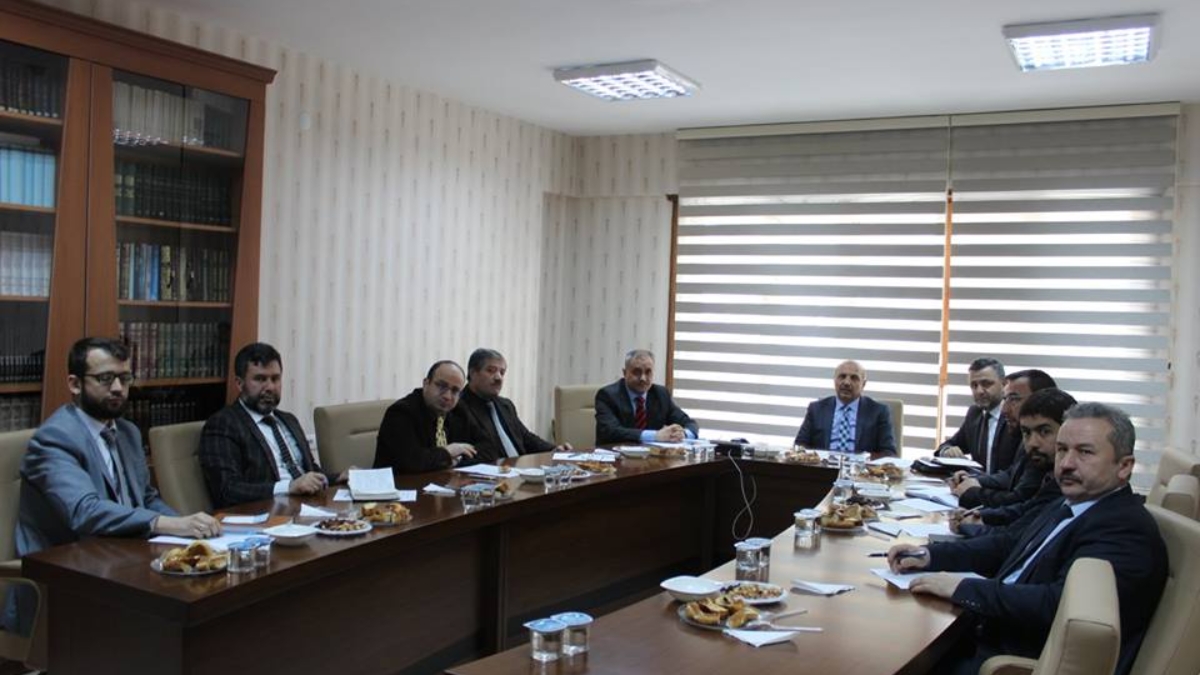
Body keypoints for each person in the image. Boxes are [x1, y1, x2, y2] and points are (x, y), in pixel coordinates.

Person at [889, 402, 1167, 675]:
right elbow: (1008, 544)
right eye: (1062, 449)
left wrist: (963, 588)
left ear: (1124, 466)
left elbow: (1059, 604)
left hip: (1009, 660)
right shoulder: (1071, 503)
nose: (1066, 464)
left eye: (1084, 452)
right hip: (984, 635)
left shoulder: (1124, 529)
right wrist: (931, 556)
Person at [5, 337, 220, 635]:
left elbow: (146, 498)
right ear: (75, 384)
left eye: (125, 378)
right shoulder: (55, 438)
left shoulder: (127, 432)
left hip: (121, 566)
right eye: (105, 379)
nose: (118, 388)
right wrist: (166, 523)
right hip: (63, 585)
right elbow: (85, 511)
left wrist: (189, 532)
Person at [199, 342, 345, 508]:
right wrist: (288, 487)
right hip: (267, 512)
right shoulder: (223, 424)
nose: (270, 387)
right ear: (239, 383)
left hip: (310, 506)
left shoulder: (288, 420)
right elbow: (227, 490)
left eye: (275, 379)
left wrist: (339, 477)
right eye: (260, 379)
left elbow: (309, 472)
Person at [950, 388, 1075, 538]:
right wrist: (980, 515)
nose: (1033, 443)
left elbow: (1016, 536)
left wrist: (974, 523)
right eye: (1026, 433)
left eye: (1044, 431)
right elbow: (1025, 510)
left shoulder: (1070, 480)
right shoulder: (1047, 468)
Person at [949, 370, 1056, 507]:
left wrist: (971, 493)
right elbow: (1011, 474)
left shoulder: (1043, 446)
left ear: (1040, 400)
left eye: (1013, 399)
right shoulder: (1026, 436)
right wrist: (975, 480)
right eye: (1005, 399)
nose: (1004, 409)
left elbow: (1019, 499)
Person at [457, 348, 569, 462]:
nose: (498, 378)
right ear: (473, 373)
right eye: (491, 371)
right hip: (493, 471)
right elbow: (467, 455)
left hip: (520, 468)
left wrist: (553, 449)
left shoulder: (505, 405)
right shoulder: (458, 407)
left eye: (502, 372)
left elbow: (525, 437)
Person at [374, 360, 482, 472]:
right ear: (426, 384)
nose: (447, 396)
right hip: (401, 481)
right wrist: (448, 452)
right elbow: (412, 462)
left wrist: (457, 459)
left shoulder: (458, 411)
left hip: (444, 479)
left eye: (455, 391)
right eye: (441, 386)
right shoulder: (401, 412)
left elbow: (487, 447)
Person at [594, 349, 698, 445]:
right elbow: (610, 431)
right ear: (625, 373)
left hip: (652, 457)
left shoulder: (661, 394)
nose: (643, 378)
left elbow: (689, 423)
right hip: (615, 455)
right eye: (637, 372)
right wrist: (655, 436)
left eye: (648, 372)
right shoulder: (607, 395)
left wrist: (683, 434)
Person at [792, 360, 896, 455]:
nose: (846, 382)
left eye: (854, 378)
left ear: (863, 384)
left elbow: (889, 452)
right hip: (823, 467)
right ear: (834, 380)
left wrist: (864, 461)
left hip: (860, 468)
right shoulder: (816, 409)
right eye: (842, 376)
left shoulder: (878, 412)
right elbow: (800, 445)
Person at [936, 357, 1021, 472]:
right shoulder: (974, 414)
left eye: (986, 384)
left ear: (1004, 384)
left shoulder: (1014, 416)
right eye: (974, 385)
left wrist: (980, 481)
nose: (979, 391)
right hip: (976, 482)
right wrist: (946, 451)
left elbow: (1016, 472)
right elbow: (948, 445)